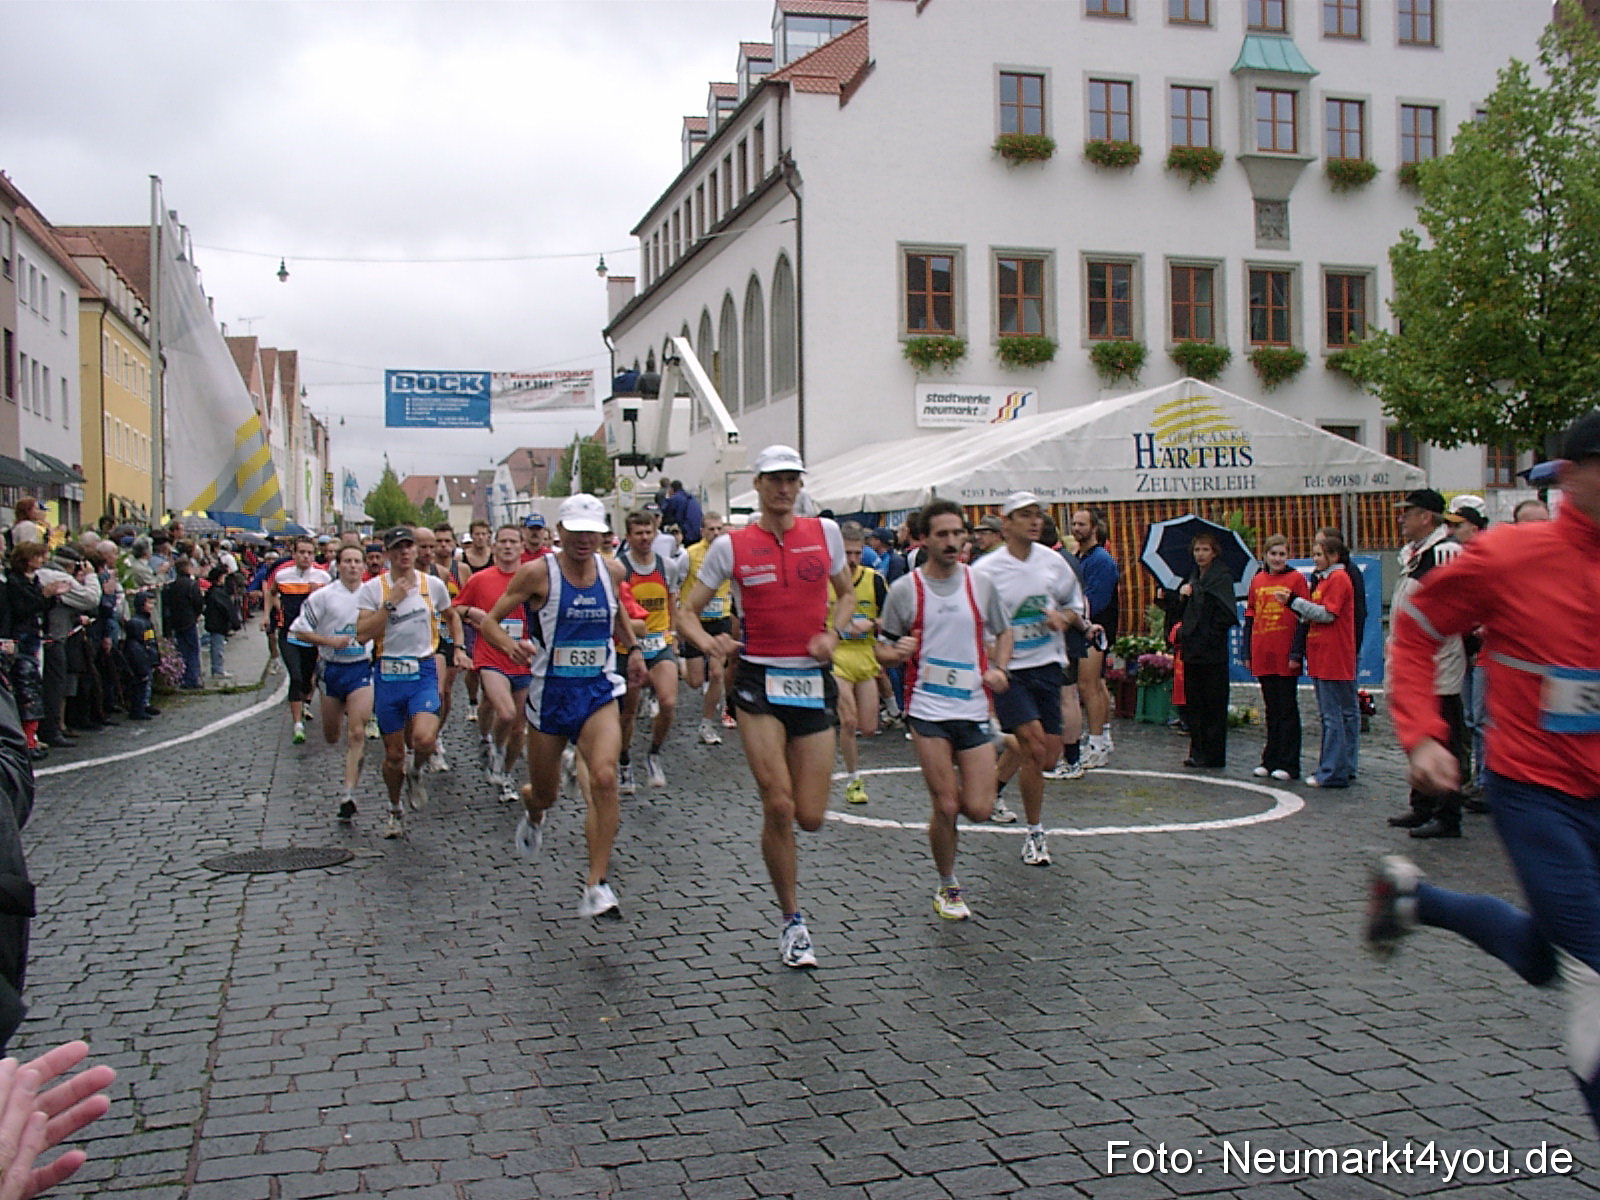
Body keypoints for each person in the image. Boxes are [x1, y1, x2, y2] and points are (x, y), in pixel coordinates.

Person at [1371, 409, 1600, 1138]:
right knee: (1594, 970)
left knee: (1543, 957)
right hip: (1537, 793)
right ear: (1572, 476)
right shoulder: (1510, 556)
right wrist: (1422, 733)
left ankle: (1414, 899)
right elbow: (1416, 630)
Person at [677, 446, 856, 967]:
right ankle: (792, 920)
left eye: (792, 479)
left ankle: (792, 909)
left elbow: (846, 595)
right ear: (756, 484)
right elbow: (686, 612)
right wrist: (709, 644)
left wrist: (833, 633)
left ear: (800, 485)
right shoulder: (731, 546)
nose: (784, 488)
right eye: (775, 479)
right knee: (777, 803)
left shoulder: (825, 533)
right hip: (758, 680)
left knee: (811, 816)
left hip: (811, 680)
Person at [474, 495, 646, 919]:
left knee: (604, 777)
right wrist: (510, 646)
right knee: (545, 793)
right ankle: (533, 811)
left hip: (598, 691)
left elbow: (618, 613)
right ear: (561, 532)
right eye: (576, 532)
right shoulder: (537, 573)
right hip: (550, 696)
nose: (585, 540)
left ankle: (597, 884)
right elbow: (489, 621)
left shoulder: (612, 570)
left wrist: (635, 648)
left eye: (593, 532)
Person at [877, 500, 1012, 920]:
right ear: (924, 539)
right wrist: (897, 652)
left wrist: (1000, 668)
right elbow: (881, 649)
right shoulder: (906, 590)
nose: (952, 542)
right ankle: (947, 884)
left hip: (972, 706)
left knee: (980, 809)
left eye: (958, 533)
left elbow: (1004, 631)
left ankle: (969, 786)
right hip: (927, 708)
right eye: (943, 535)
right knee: (947, 805)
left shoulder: (980, 584)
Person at [972, 491, 1097, 867]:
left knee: (1046, 755)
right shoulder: (986, 570)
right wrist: (990, 657)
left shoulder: (1053, 562)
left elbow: (1075, 607)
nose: (1034, 521)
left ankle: (995, 783)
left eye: (1038, 515)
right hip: (1011, 672)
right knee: (1034, 744)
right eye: (1025, 515)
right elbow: (975, 621)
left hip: (1047, 666)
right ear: (1006, 523)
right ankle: (1035, 833)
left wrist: (1064, 619)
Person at [354, 528, 466, 839]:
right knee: (393, 756)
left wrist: (459, 647)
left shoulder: (432, 585)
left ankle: (416, 772)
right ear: (387, 554)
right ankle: (395, 809)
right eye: (397, 548)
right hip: (388, 675)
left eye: (409, 547)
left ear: (415, 551)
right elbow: (362, 634)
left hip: (423, 670)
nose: (404, 553)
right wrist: (390, 604)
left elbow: (452, 616)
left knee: (424, 739)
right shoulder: (373, 589)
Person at [1386, 489, 1467, 838]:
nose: (1401, 518)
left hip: (1439, 659)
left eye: (1408, 512)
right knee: (1420, 734)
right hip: (1418, 659)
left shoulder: (1445, 552)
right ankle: (1422, 805)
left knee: (1444, 736)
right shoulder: (1415, 553)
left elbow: (1455, 605)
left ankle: (1448, 814)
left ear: (1426, 516)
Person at [289, 545, 375, 823]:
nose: (353, 566)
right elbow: (298, 631)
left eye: (357, 561)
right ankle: (348, 784)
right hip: (331, 669)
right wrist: (329, 642)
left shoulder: (373, 594)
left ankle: (348, 795)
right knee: (332, 736)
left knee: (357, 734)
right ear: (338, 565)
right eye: (347, 561)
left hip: (361, 668)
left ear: (363, 566)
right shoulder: (323, 597)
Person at [452, 526, 531, 803]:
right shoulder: (480, 579)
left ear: (522, 547)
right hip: (491, 656)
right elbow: (455, 607)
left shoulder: (532, 580)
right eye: (503, 542)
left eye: (513, 542)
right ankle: (494, 747)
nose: (508, 546)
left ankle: (505, 773)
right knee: (506, 714)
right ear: (494, 547)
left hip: (524, 659)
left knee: (519, 729)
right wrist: (471, 611)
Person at [1276, 529, 1358, 787]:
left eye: (1319, 554)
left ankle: (1333, 770)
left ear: (1334, 556)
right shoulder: (1323, 580)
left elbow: (1327, 614)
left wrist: (1295, 602)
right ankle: (1333, 766)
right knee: (1329, 715)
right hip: (1321, 654)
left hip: (1334, 654)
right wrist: (1295, 605)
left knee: (1333, 716)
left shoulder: (1339, 579)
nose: (1315, 559)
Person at [617, 510, 681, 791]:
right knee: (628, 713)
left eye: (648, 532)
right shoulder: (619, 568)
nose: (644, 538)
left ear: (655, 534)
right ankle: (624, 762)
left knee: (668, 702)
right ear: (628, 536)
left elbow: (671, 602)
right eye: (638, 533)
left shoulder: (667, 566)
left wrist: (674, 635)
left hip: (659, 643)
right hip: (628, 647)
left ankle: (653, 754)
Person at [1244, 534, 1309, 781]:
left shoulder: (1296, 579)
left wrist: (1296, 652)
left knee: (1287, 709)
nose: (1278, 558)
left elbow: (1304, 618)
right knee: (1271, 709)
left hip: (1285, 653)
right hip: (1264, 651)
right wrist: (1247, 652)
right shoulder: (1258, 580)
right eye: (1273, 554)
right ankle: (1269, 759)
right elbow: (1250, 617)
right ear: (1265, 555)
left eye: (1282, 554)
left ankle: (1289, 763)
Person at [832, 523, 887, 806]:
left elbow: (893, 616)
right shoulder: (824, 580)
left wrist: (873, 622)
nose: (852, 560)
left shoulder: (874, 580)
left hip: (865, 656)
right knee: (849, 721)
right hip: (837, 657)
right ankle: (854, 780)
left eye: (857, 553)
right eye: (847, 554)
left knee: (868, 727)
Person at [1175, 532, 1237, 769]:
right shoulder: (1193, 577)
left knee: (1213, 704)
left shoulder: (1221, 578)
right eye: (1197, 550)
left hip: (1211, 652)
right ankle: (1198, 750)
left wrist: (1208, 637)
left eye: (1205, 550)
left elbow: (1225, 614)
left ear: (1214, 552)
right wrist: (1179, 598)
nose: (1200, 555)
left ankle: (1213, 754)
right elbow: (1181, 613)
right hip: (1192, 649)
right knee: (1195, 703)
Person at [264, 538, 331, 744]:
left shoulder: (323, 577)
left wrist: (318, 595)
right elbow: (271, 592)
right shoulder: (283, 575)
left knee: (307, 676)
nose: (305, 557)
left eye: (309, 553)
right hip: (289, 633)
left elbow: (331, 604)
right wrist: (272, 612)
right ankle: (297, 724)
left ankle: (304, 703)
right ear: (294, 554)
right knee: (295, 676)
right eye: (301, 552)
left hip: (311, 635)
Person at [678, 510, 734, 747]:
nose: (716, 533)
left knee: (717, 674)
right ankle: (680, 664)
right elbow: (677, 584)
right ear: (702, 531)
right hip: (696, 622)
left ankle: (706, 724)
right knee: (695, 681)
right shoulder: (689, 555)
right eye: (711, 529)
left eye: (719, 528)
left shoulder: (730, 552)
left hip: (720, 619)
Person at [1070, 507, 1120, 768]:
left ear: (1094, 528)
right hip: (1088, 627)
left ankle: (1097, 743)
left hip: (1095, 629)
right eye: (1074, 524)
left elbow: (1095, 600)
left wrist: (1072, 613)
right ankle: (1103, 737)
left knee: (1088, 686)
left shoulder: (1100, 560)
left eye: (1082, 524)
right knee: (1097, 685)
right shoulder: (1081, 556)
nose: (1076, 528)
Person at [120, 590, 161, 721]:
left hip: (145, 656)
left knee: (145, 683)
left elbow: (149, 641)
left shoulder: (145, 622)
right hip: (140, 657)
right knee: (140, 684)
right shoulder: (139, 623)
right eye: (149, 603)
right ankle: (138, 708)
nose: (152, 606)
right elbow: (144, 641)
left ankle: (143, 705)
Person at [201, 565, 235, 682]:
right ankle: (218, 670)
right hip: (218, 624)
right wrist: (233, 621)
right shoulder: (218, 593)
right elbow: (226, 608)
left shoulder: (212, 592)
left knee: (216, 645)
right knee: (217, 647)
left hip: (214, 623)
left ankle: (217, 668)